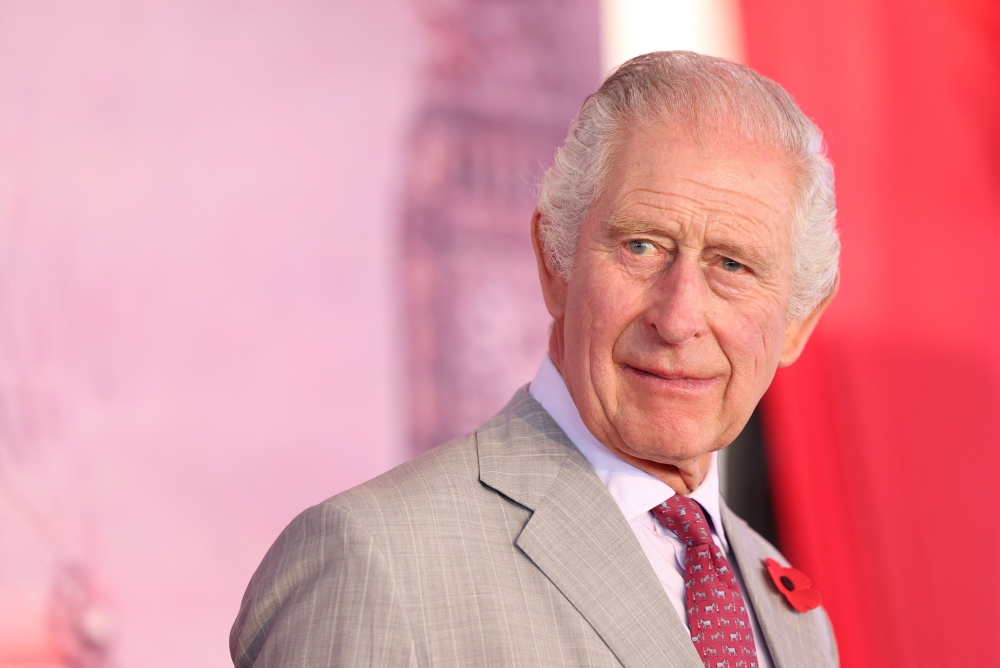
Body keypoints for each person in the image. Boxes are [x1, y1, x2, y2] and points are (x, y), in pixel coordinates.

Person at [231, 51, 840, 668]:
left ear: (797, 324)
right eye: (641, 246)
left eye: (732, 264)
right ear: (555, 265)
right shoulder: (373, 562)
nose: (679, 318)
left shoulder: (793, 618)